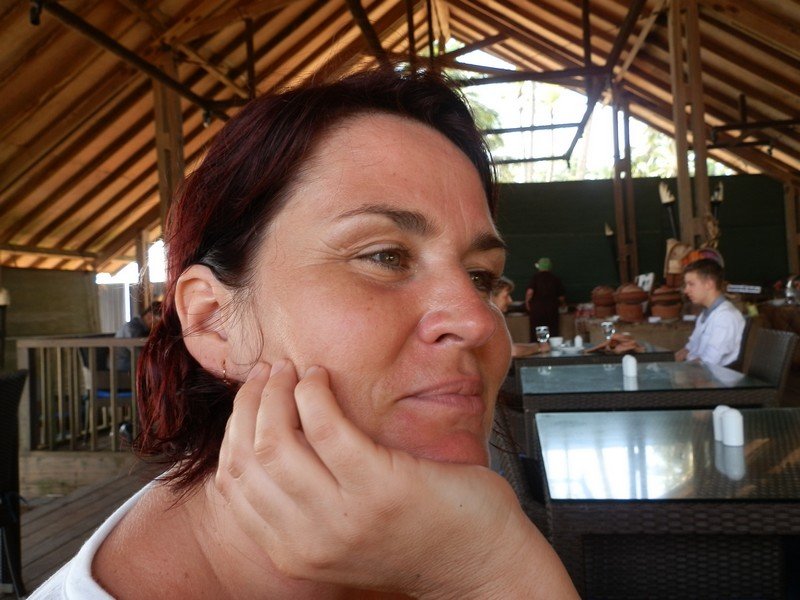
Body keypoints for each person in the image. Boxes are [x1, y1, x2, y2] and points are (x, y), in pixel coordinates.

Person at [31, 67, 576, 598]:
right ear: (213, 320)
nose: (477, 321)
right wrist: (496, 574)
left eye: (480, 276)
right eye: (385, 256)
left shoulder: (457, 530)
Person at [675, 257, 745, 366]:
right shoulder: (706, 313)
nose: (686, 290)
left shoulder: (725, 317)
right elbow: (688, 349)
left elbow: (708, 363)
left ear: (709, 284)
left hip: (712, 376)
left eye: (691, 284)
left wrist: (679, 370)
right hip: (698, 373)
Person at [492, 277, 550, 357]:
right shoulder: (488, 321)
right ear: (491, 297)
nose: (510, 301)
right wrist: (539, 347)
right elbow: (511, 351)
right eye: (506, 296)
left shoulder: (494, 319)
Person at [113, 301, 162, 371]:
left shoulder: (143, 328)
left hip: (129, 361)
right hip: (122, 363)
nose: (158, 326)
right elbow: (139, 352)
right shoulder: (132, 327)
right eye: (158, 322)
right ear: (149, 317)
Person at [525, 257, 565, 339]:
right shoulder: (555, 278)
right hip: (552, 310)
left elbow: (530, 292)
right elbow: (561, 298)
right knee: (552, 333)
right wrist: (563, 305)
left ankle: (537, 346)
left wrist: (527, 303)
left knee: (537, 334)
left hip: (537, 310)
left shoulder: (535, 278)